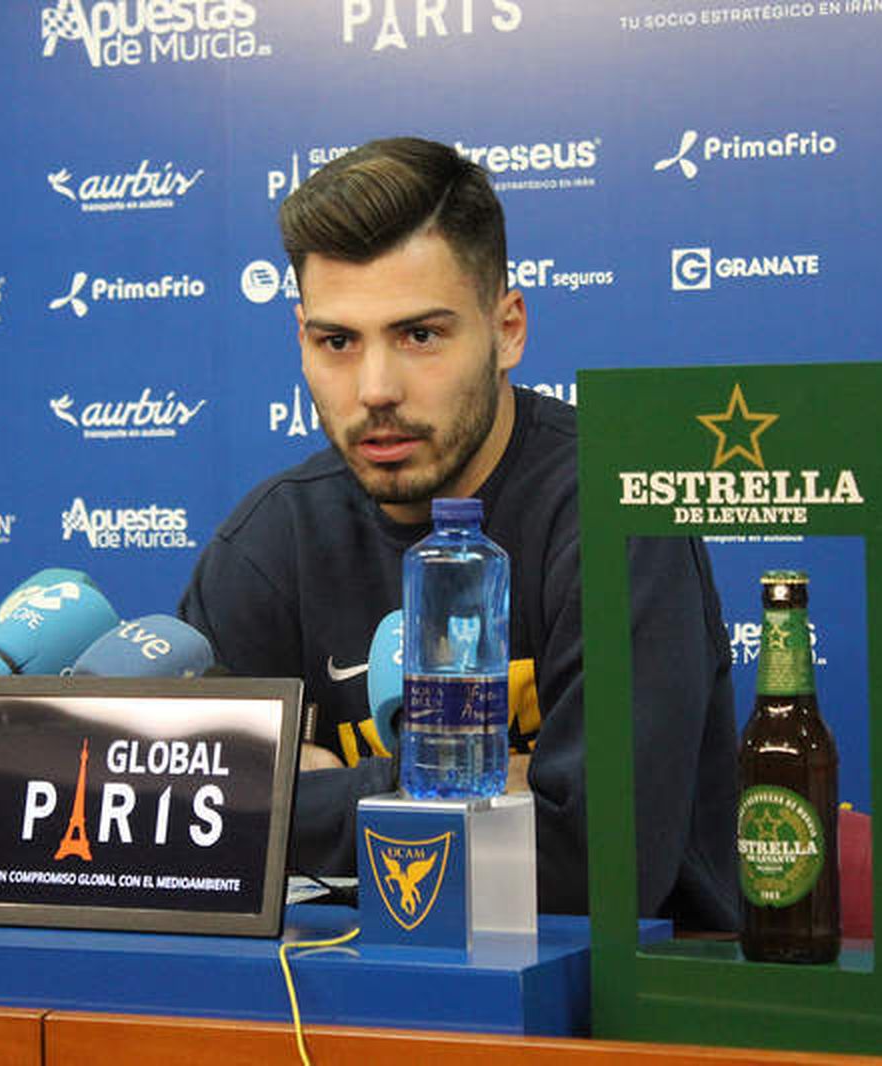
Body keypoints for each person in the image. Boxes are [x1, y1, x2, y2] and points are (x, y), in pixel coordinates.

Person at [179, 137, 738, 928]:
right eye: (338, 342)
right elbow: (182, 829)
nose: (376, 389)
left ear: (507, 329)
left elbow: (594, 864)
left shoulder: (617, 513)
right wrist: (476, 785)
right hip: (349, 1008)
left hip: (618, 1019)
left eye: (420, 336)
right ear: (302, 337)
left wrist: (315, 792)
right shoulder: (272, 542)